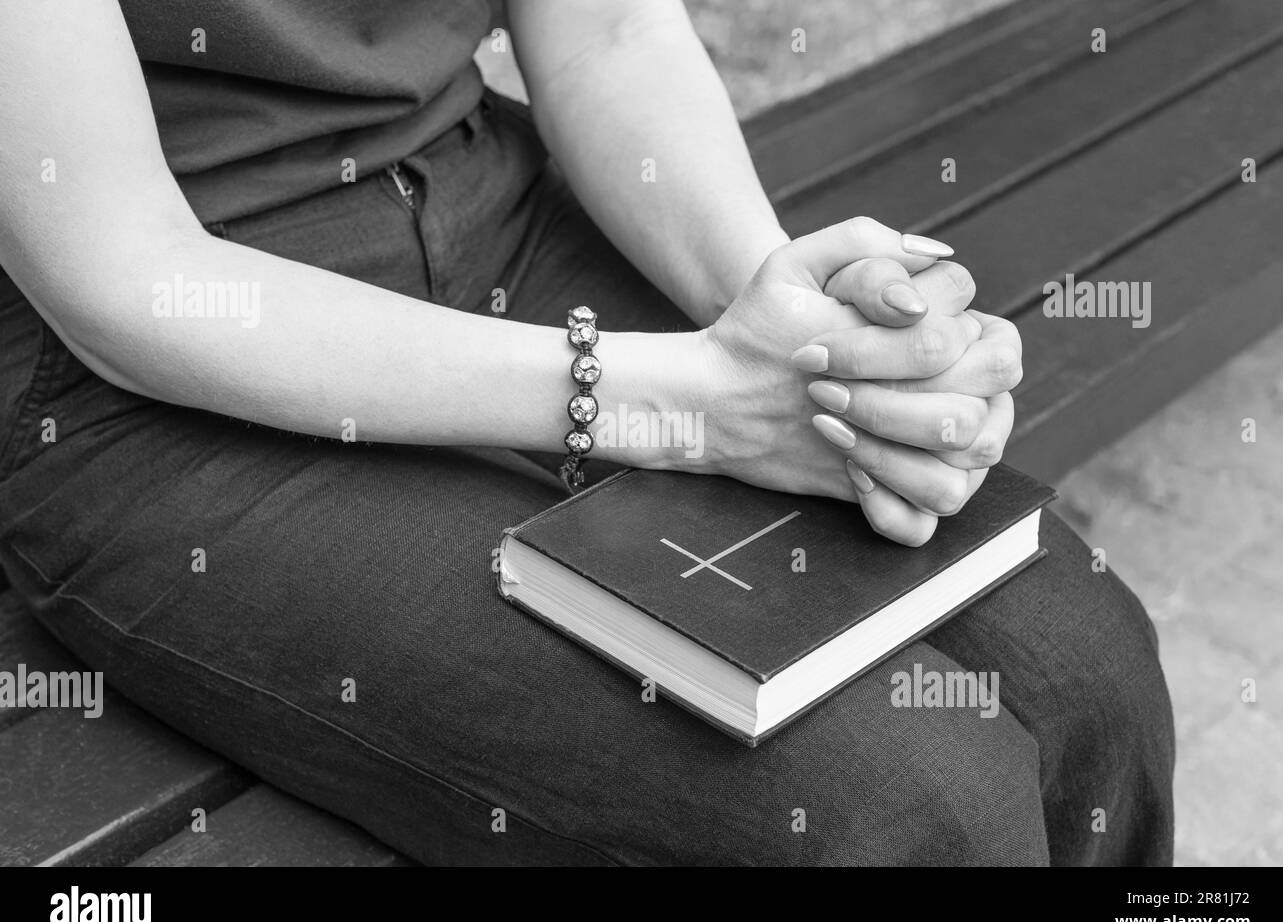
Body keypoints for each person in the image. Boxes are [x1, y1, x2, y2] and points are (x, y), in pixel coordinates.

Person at [0, 0, 1174, 864]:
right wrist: (686, 404)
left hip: (490, 206)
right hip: (162, 375)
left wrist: (794, 336)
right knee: (894, 809)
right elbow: (124, 275)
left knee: (1085, 661)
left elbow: (608, 33)